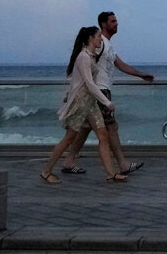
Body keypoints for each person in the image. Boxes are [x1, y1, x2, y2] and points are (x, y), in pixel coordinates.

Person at [60, 11, 154, 175]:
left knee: (86, 127)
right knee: (111, 127)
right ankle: (122, 164)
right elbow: (84, 63)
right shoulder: (99, 43)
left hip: (100, 90)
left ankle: (69, 160)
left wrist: (140, 74)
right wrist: (76, 89)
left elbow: (121, 64)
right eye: (113, 21)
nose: (116, 24)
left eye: (116, 21)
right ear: (104, 24)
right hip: (99, 90)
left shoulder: (107, 45)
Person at [40, 26, 128, 184]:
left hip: (90, 104)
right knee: (68, 140)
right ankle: (46, 171)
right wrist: (107, 102)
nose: (101, 39)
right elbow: (89, 83)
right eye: (99, 36)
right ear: (90, 38)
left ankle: (110, 173)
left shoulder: (91, 56)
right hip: (80, 104)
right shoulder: (84, 57)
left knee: (103, 136)